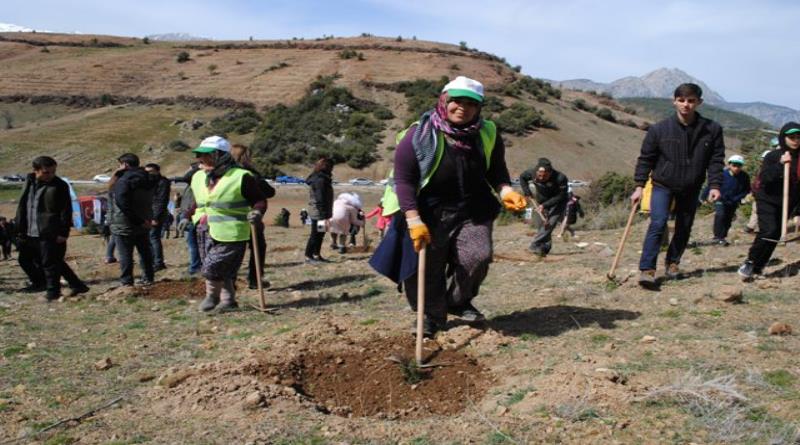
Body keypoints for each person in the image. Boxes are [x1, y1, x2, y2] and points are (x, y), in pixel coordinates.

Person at [373, 76, 526, 336]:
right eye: (456, 101)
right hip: (425, 210)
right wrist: (413, 220)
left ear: (479, 108)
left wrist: (506, 190)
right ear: (444, 100)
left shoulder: (486, 132)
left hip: (472, 209)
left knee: (477, 257)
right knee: (427, 267)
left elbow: (496, 169)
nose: (462, 108)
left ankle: (457, 301)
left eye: (471, 104)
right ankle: (430, 317)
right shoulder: (417, 135)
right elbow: (405, 180)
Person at [630, 83, 726, 288]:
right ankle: (647, 269)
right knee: (658, 222)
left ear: (699, 102)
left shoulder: (712, 130)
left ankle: (673, 263)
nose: (686, 105)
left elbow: (716, 160)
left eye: (691, 101)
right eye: (682, 100)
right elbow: (646, 159)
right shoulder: (659, 129)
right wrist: (639, 186)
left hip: (692, 186)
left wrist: (715, 185)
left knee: (684, 226)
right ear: (674, 101)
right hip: (663, 184)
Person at [190, 136, 267, 311]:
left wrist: (257, 212)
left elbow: (259, 199)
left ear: (221, 156)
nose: (202, 159)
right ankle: (229, 301)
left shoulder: (241, 177)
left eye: (208, 155)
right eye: (200, 155)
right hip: (205, 229)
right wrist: (187, 216)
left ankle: (212, 297)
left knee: (211, 267)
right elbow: (202, 202)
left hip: (233, 232)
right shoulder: (198, 177)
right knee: (223, 270)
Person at [15, 156, 89, 300]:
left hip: (50, 230)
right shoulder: (29, 182)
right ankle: (76, 285)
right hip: (29, 231)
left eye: (53, 171)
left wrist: (63, 232)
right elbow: (23, 206)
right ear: (35, 171)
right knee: (26, 259)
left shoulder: (59, 185)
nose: (50, 175)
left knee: (50, 263)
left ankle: (53, 292)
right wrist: (19, 227)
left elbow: (66, 211)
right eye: (46, 172)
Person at [738, 123, 800, 279]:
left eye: (798, 137)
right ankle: (750, 262)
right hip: (767, 199)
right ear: (783, 138)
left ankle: (758, 268)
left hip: (787, 203)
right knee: (769, 230)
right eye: (791, 137)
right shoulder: (773, 156)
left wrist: (798, 211)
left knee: (776, 234)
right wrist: (780, 164)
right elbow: (765, 178)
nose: (795, 140)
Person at [230, 143, 275, 290]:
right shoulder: (249, 174)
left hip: (227, 218)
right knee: (257, 247)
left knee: (231, 251)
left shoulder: (224, 173)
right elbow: (269, 192)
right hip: (250, 216)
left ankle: (229, 282)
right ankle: (255, 279)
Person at [109, 153, 157, 288]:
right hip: (145, 220)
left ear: (125, 165)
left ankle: (127, 281)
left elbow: (121, 202)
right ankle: (149, 277)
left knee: (125, 254)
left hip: (125, 222)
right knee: (145, 251)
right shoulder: (148, 178)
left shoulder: (123, 180)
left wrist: (116, 174)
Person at [519, 158, 569, 256]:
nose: (541, 178)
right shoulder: (531, 173)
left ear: (550, 173)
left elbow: (561, 196)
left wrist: (544, 205)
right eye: (539, 175)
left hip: (558, 201)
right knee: (542, 225)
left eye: (544, 176)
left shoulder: (560, 178)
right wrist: (527, 192)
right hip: (541, 200)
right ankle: (544, 248)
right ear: (536, 171)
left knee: (550, 222)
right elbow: (522, 178)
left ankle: (535, 245)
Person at [701, 155, 750, 245]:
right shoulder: (722, 175)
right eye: (734, 165)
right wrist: (703, 197)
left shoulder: (744, 176)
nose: (736, 168)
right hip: (721, 199)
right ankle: (717, 237)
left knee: (728, 218)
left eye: (739, 165)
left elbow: (747, 190)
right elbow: (711, 186)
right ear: (729, 165)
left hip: (734, 201)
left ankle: (722, 237)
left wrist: (738, 198)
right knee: (720, 215)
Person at [171, 162, 202, 276]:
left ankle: (195, 267)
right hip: (188, 214)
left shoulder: (194, 181)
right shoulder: (191, 184)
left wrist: (195, 168)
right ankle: (196, 265)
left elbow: (186, 177)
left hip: (192, 216)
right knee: (193, 243)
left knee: (192, 244)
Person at [304, 157, 334, 263]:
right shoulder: (320, 180)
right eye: (331, 167)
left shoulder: (322, 178)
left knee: (321, 233)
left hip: (322, 211)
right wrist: (323, 214)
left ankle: (316, 254)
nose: (332, 170)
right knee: (315, 234)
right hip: (319, 212)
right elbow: (320, 198)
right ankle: (308, 255)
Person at [144, 163, 170, 270]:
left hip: (156, 214)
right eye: (146, 172)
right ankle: (154, 260)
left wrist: (155, 217)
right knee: (150, 238)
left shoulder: (162, 182)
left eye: (151, 171)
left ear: (157, 171)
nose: (148, 174)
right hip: (149, 213)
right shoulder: (150, 182)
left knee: (154, 238)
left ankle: (158, 262)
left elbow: (161, 201)